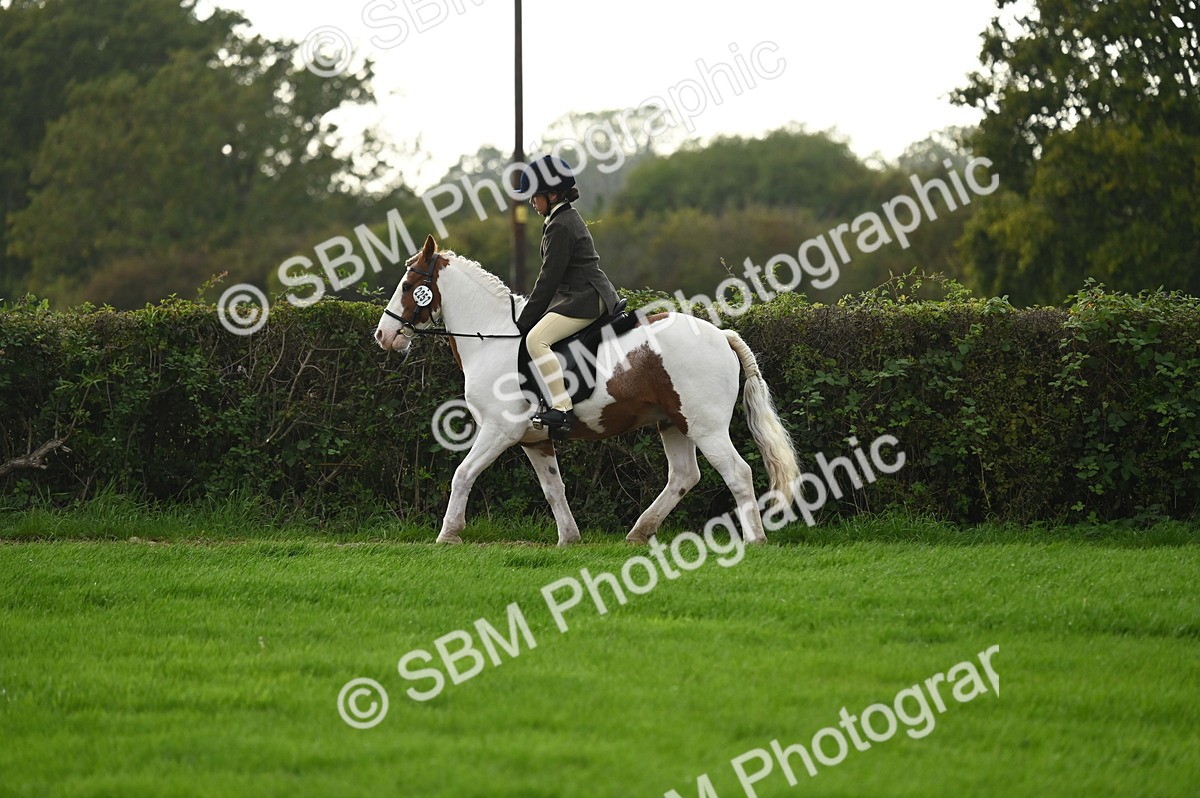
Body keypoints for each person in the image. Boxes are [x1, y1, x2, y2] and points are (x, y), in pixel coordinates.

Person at [515, 156, 621, 438]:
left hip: (585, 297)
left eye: (534, 196)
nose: (531, 202)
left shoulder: (561, 225)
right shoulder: (560, 218)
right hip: (580, 294)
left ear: (551, 194)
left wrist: (524, 320)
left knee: (536, 339)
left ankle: (561, 410)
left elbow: (548, 279)